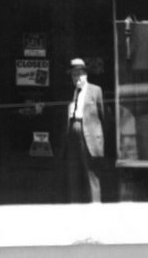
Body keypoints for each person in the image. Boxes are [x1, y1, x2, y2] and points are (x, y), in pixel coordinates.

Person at [63, 57, 105, 203]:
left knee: (91, 174)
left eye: (79, 74)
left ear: (86, 75)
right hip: (72, 134)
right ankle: (74, 206)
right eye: (74, 75)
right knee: (73, 173)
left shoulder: (96, 91)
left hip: (90, 135)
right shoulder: (71, 92)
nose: (77, 78)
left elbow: (103, 115)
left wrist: (99, 136)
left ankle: (95, 206)